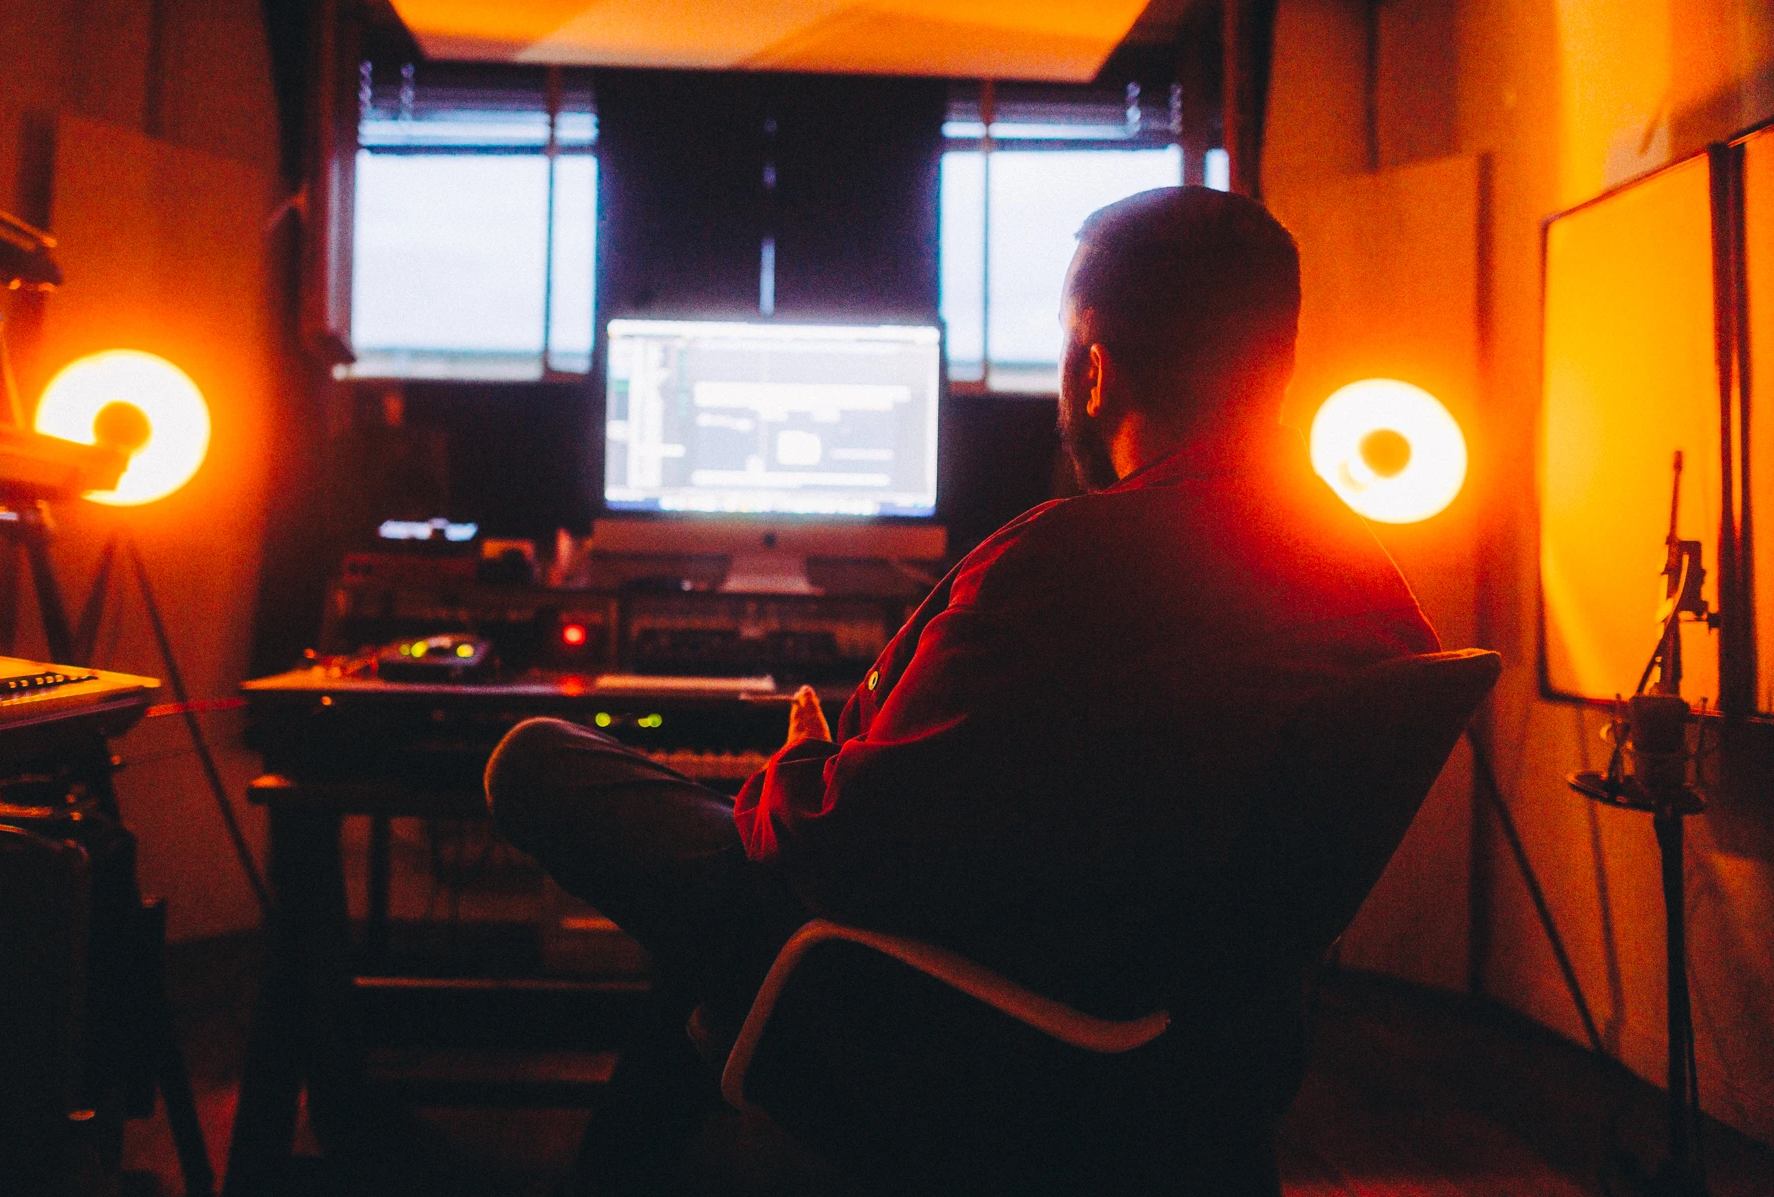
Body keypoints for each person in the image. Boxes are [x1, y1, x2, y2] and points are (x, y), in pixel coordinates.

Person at [485, 186, 1437, 1194]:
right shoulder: (1369, 585)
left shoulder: (1063, 563)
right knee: (713, 927)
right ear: (1277, 365)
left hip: (964, 1023)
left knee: (540, 763)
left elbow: (840, 847)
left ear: (1093, 370)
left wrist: (802, 760)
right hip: (1194, 1051)